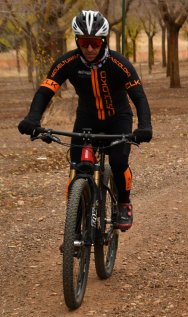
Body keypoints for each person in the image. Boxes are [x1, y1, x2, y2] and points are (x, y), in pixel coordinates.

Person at [17, 10, 152, 231]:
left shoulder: (120, 64)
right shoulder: (68, 62)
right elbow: (45, 91)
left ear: (103, 41)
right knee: (77, 167)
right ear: (77, 41)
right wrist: (32, 119)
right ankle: (74, 229)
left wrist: (144, 126)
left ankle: (124, 202)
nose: (90, 48)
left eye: (95, 42)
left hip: (118, 119)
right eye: (84, 42)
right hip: (87, 120)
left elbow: (139, 96)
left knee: (118, 162)